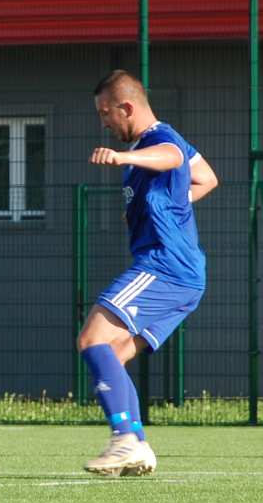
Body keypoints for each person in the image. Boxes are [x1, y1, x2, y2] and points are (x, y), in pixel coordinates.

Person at [81, 69, 218, 476]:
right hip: (184, 273)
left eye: (106, 113)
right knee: (113, 354)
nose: (104, 122)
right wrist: (172, 204)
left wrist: (125, 157)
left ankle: (123, 439)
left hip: (165, 265)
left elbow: (173, 157)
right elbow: (206, 177)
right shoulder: (154, 141)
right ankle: (137, 443)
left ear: (127, 107)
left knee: (91, 338)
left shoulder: (159, 139)